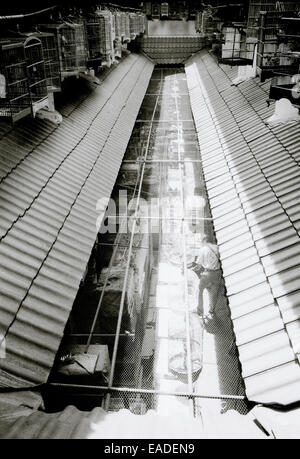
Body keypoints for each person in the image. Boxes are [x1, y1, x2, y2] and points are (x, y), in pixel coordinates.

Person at [189, 234, 222, 319]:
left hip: (207, 273)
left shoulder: (203, 249)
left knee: (199, 290)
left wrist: (192, 269)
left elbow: (199, 265)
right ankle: (211, 311)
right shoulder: (218, 248)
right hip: (217, 273)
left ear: (204, 241)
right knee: (213, 293)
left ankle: (200, 311)